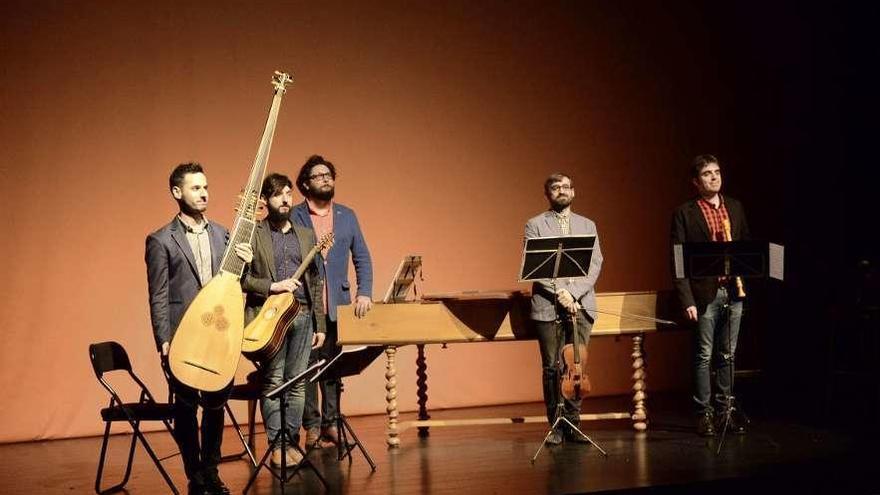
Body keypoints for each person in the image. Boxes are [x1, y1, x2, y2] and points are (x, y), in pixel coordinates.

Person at [146, 162, 252, 495]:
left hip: (220, 335)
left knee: (216, 406)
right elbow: (159, 296)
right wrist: (163, 339)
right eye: (195, 188)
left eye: (205, 186)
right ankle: (195, 473)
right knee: (186, 408)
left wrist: (245, 261)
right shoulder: (161, 240)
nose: (203, 193)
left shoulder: (223, 234)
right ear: (177, 193)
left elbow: (239, 284)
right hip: (182, 337)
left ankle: (212, 471)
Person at [241, 173, 326, 466]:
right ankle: (275, 445)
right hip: (270, 318)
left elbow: (316, 281)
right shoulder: (254, 234)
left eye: (288, 193)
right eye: (278, 194)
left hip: (302, 315)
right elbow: (242, 279)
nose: (285, 199)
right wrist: (272, 286)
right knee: (274, 381)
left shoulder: (305, 234)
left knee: (297, 383)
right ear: (266, 200)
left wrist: (320, 324)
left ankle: (291, 442)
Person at [292, 155, 373, 448]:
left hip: (337, 307)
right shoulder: (295, 216)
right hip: (305, 307)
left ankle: (331, 423)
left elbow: (362, 257)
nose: (326, 179)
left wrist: (364, 292)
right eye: (318, 176)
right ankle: (312, 427)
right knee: (309, 371)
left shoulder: (347, 216)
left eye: (329, 174)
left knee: (332, 370)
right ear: (305, 184)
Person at [671, 154, 751, 437]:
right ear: (696, 181)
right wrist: (687, 300)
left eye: (717, 172)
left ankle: (725, 410)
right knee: (704, 355)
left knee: (727, 354)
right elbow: (679, 260)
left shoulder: (735, 207)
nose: (714, 177)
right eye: (707, 174)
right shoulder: (685, 212)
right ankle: (702, 413)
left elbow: (745, 248)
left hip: (733, 290)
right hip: (705, 293)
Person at [524, 172, 603, 445]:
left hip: (581, 304)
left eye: (566, 186)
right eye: (556, 188)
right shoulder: (534, 225)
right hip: (548, 304)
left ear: (574, 192)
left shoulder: (587, 224)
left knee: (576, 366)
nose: (562, 191)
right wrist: (560, 293)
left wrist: (575, 293)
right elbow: (534, 267)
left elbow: (595, 264)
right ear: (547, 194)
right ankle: (555, 425)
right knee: (552, 367)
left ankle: (574, 423)